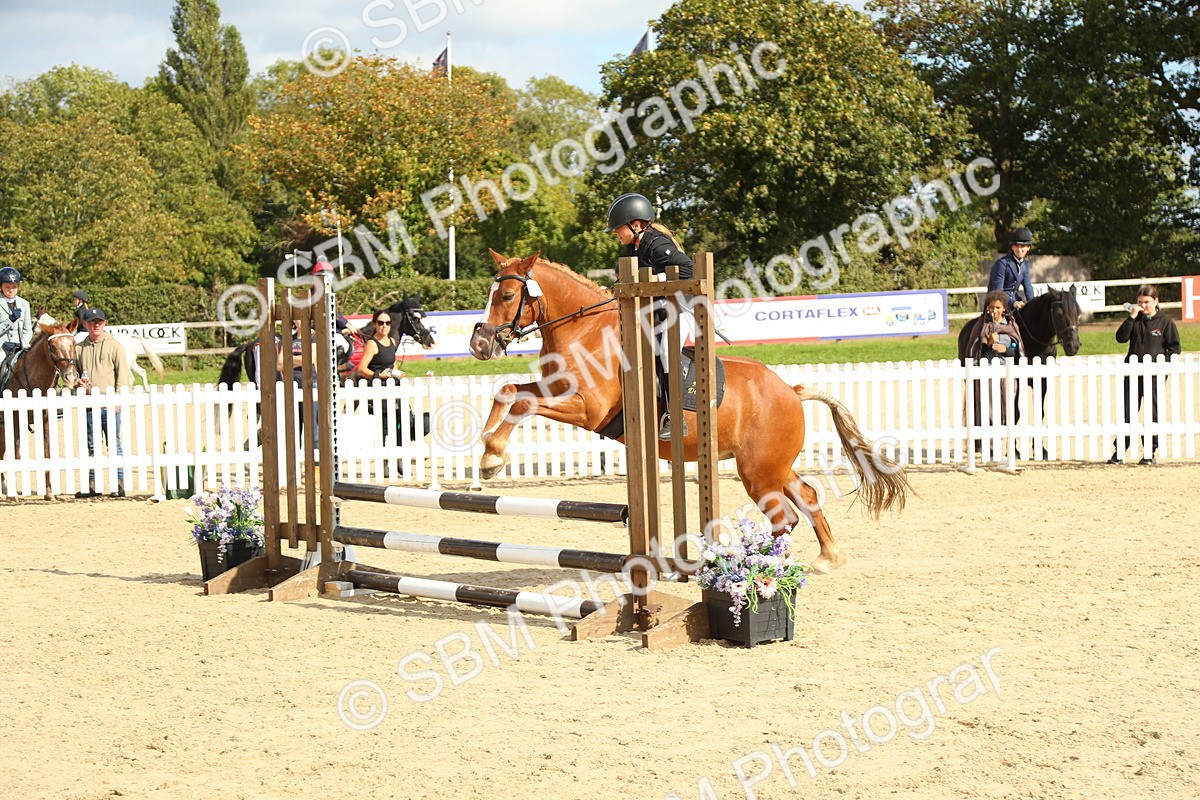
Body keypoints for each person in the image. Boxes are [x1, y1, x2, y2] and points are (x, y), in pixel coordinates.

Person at [605, 192, 694, 439]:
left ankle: (677, 417)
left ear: (636, 225)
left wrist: (654, 279)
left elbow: (689, 268)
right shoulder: (634, 248)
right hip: (657, 310)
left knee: (666, 351)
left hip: (682, 308)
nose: (615, 232)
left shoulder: (657, 245)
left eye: (618, 227)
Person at [1107, 285, 1181, 465]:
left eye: (1146, 302)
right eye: (1140, 302)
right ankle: (1120, 450)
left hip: (1155, 375)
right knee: (1128, 411)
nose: (1143, 305)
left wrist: (1161, 366)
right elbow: (1121, 338)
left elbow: (1174, 348)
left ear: (1156, 301)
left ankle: (1149, 451)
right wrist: (1131, 317)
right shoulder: (1135, 320)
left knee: (1152, 413)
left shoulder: (1165, 322)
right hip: (1132, 373)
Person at [76, 306, 132, 498]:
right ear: (85, 324)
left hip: (110, 404)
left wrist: (117, 399)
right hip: (90, 404)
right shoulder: (79, 348)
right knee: (92, 445)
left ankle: (119, 484)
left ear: (104, 323)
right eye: (92, 322)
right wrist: (78, 383)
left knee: (114, 444)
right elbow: (74, 374)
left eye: (99, 321)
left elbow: (123, 375)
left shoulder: (115, 346)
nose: (96, 325)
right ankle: (93, 485)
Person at [966, 290, 1026, 426]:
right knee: (989, 409)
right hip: (988, 373)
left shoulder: (1011, 326)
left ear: (1004, 308)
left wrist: (1006, 350)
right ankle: (990, 436)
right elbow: (976, 351)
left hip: (1007, 373)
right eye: (992, 307)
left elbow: (1017, 351)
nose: (994, 311)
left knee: (1008, 407)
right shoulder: (981, 325)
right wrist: (988, 343)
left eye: (998, 307)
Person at [987, 227, 1036, 310]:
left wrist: (1034, 304)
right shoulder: (1002, 264)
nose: (1019, 249)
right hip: (998, 304)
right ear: (1012, 247)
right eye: (1016, 246)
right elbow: (998, 291)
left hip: (1016, 301)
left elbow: (1028, 287)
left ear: (1028, 247)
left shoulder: (1025, 264)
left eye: (1023, 246)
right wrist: (1012, 302)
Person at [0, 267, 34, 377]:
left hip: (19, 346)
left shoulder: (24, 304)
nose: (11, 290)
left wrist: (22, 344)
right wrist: (10, 320)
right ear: (1, 287)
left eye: (14, 287)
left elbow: (28, 330)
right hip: (1, 347)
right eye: (7, 287)